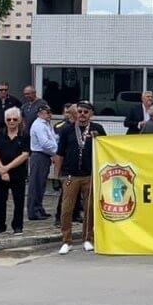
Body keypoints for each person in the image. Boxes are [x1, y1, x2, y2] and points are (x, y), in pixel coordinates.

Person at [54, 100, 105, 254]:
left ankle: (88, 239)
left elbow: (106, 149)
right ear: (76, 113)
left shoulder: (98, 129)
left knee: (89, 209)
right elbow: (59, 154)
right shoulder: (67, 130)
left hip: (89, 175)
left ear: (91, 114)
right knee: (66, 209)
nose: (82, 115)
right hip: (70, 175)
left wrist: (98, 139)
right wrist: (58, 175)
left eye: (86, 112)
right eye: (80, 111)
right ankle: (66, 240)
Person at [0, 107, 30, 236]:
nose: (11, 121)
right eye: (9, 119)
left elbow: (25, 155)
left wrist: (7, 168)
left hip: (18, 173)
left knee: (19, 201)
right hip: (1, 172)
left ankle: (17, 226)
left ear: (19, 120)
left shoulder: (24, 135)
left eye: (14, 119)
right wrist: (1, 169)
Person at [28, 104, 57, 221]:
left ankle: (39, 208)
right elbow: (45, 143)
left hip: (44, 156)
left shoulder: (46, 124)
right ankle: (34, 211)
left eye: (50, 112)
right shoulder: (39, 125)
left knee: (41, 184)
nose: (50, 114)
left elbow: (53, 138)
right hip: (39, 155)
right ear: (40, 113)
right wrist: (56, 150)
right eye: (47, 112)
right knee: (36, 184)